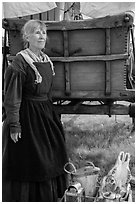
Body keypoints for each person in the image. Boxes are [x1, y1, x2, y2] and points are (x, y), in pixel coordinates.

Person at [2, 19, 68, 202]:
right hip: (27, 116)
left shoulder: (45, 60)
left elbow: (47, 93)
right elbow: (12, 97)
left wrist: (54, 117)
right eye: (37, 32)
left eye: (43, 33)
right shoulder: (20, 62)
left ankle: (52, 196)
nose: (41, 36)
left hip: (45, 113)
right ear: (26, 37)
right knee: (34, 159)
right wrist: (14, 124)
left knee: (54, 153)